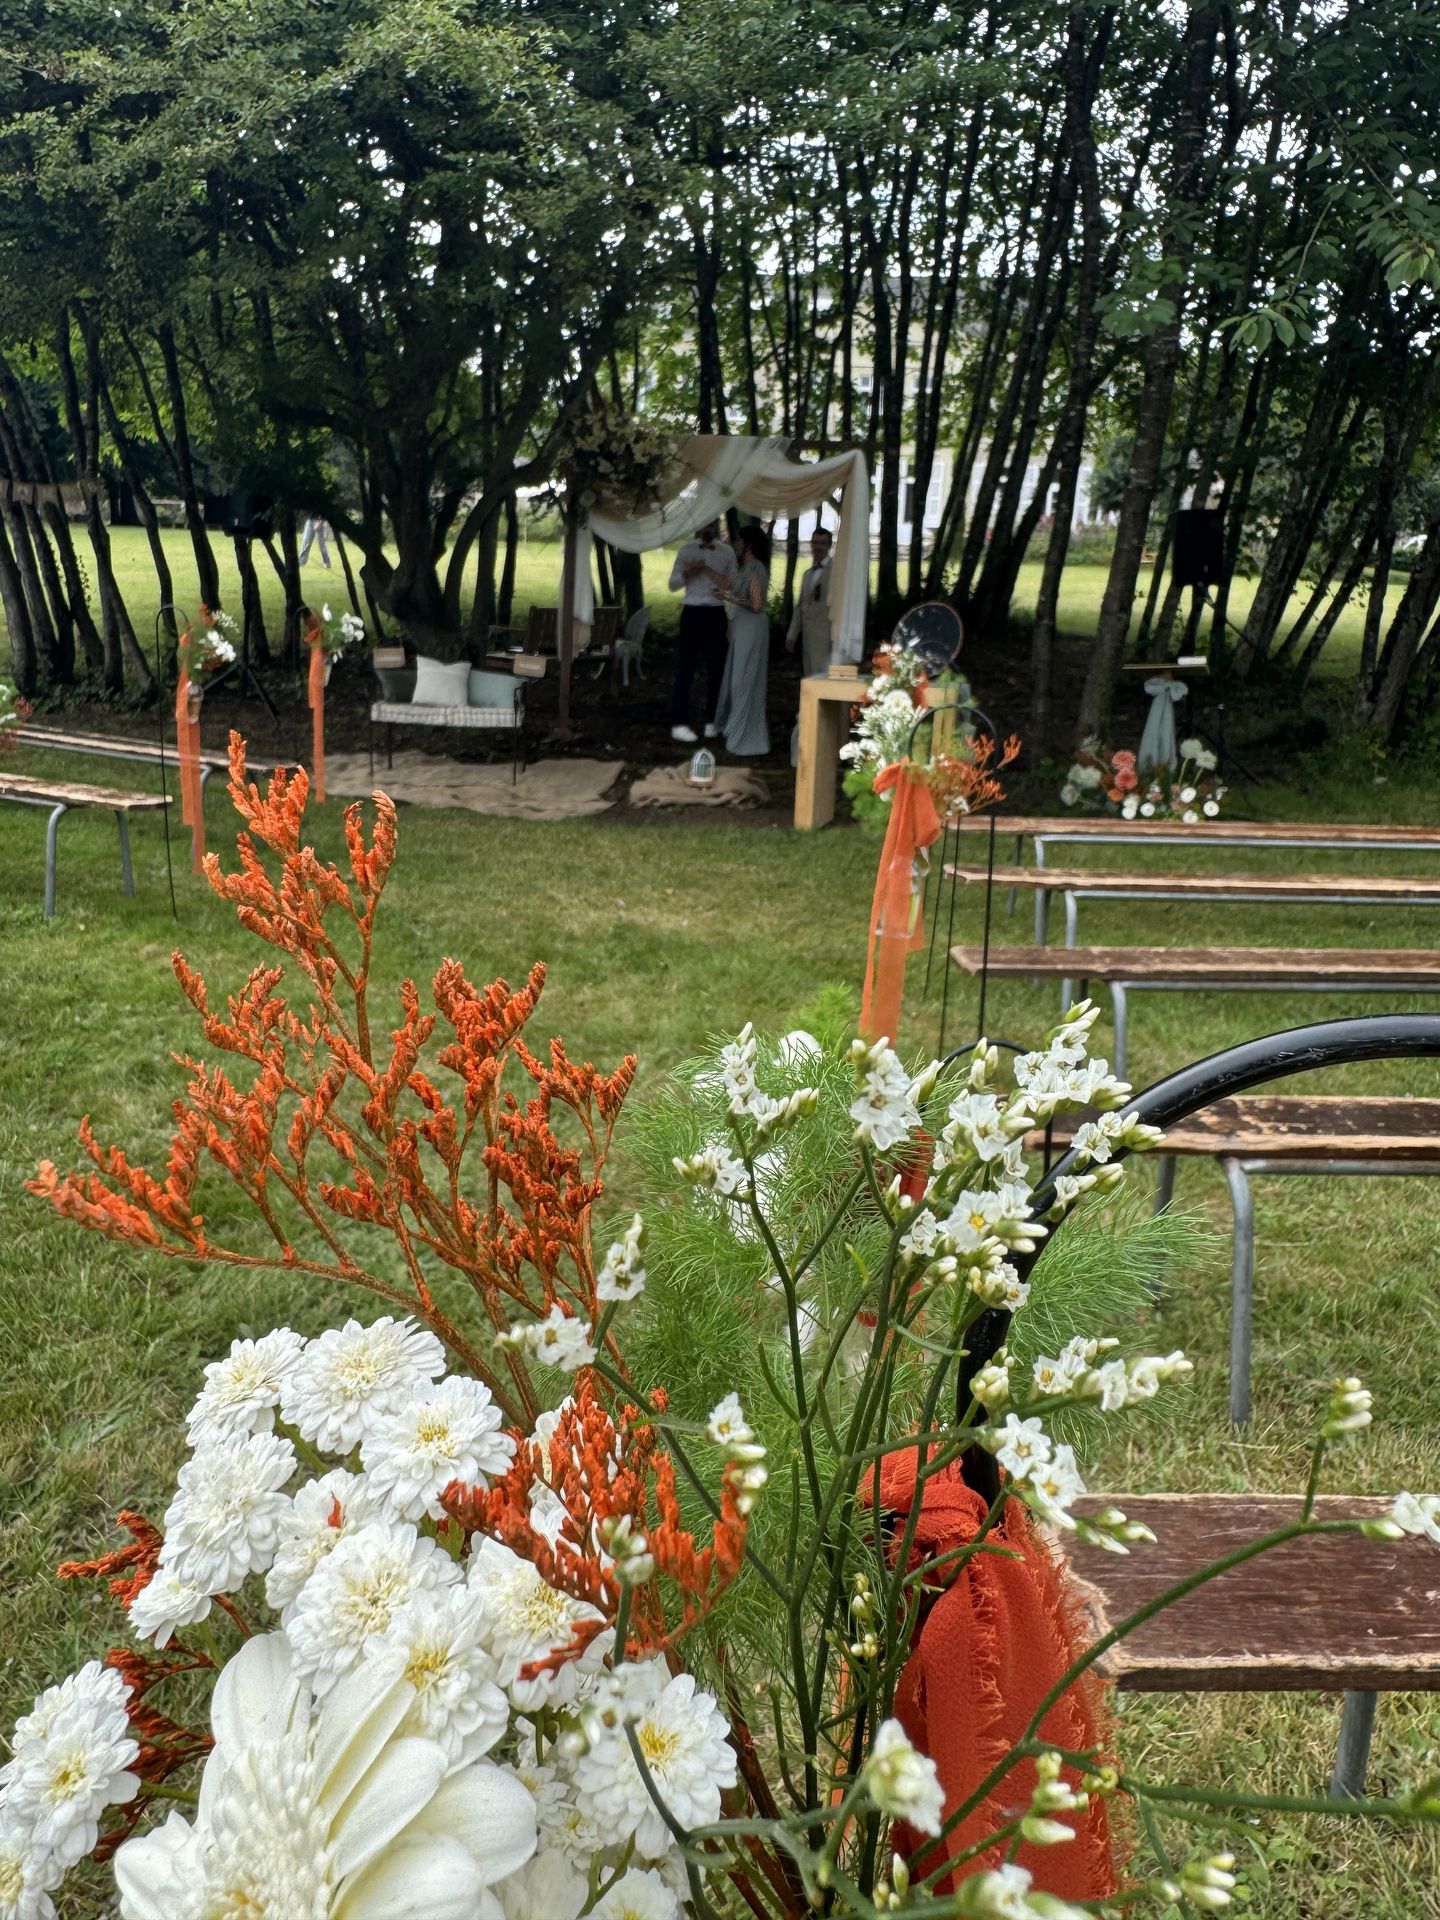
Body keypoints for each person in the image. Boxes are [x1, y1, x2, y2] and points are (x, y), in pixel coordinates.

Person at [668, 519, 737, 742]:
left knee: (717, 669)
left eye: (712, 525)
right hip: (692, 611)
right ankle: (679, 723)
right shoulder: (687, 550)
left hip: (716, 613)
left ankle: (713, 721)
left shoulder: (726, 552)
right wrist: (688, 572)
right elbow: (672, 584)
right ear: (698, 526)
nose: (708, 529)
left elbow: (735, 584)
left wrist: (725, 592)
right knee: (685, 668)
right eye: (705, 525)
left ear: (717, 525)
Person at [712, 524, 772, 757]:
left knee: (744, 679)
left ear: (748, 544)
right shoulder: (746, 568)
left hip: (752, 628)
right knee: (738, 678)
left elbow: (756, 605)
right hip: (743, 628)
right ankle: (737, 731)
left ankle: (745, 736)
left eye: (738, 541)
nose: (735, 545)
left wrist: (726, 596)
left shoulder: (755, 568)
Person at [785, 525, 834, 678]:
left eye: (822, 543)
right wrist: (792, 634)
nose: (818, 547)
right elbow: (800, 607)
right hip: (807, 638)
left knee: (823, 681)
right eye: (815, 543)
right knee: (809, 679)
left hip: (826, 638)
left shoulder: (836, 572)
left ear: (829, 545)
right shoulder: (807, 574)